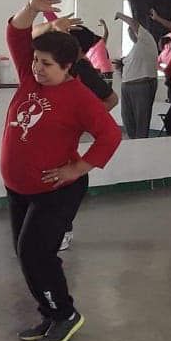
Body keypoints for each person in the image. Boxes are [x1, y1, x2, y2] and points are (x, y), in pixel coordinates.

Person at [2, 0, 123, 341]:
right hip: (19, 187)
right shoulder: (29, 78)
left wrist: (77, 169)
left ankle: (65, 314)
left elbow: (110, 135)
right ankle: (50, 314)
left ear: (68, 66)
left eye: (47, 64)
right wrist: (31, 8)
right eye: (36, 61)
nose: (38, 68)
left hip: (56, 190)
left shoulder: (79, 97)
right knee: (26, 254)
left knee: (36, 254)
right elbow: (15, 34)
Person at [33, 14, 119, 252]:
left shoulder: (82, 70)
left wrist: (82, 119)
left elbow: (112, 100)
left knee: (66, 186)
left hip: (68, 160)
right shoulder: (47, 73)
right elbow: (25, 36)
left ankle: (63, 230)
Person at [115, 10, 162, 139]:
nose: (130, 33)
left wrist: (120, 15)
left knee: (141, 121)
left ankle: (141, 145)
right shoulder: (136, 48)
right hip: (127, 86)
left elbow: (134, 23)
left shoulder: (147, 39)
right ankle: (133, 144)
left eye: (131, 31)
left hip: (141, 85)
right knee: (128, 120)